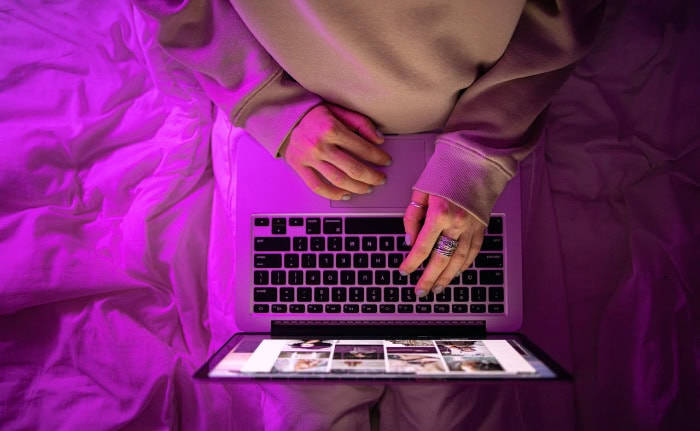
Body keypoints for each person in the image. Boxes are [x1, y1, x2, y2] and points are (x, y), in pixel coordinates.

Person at [133, 1, 605, 429]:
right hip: (290, 134)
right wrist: (272, 105)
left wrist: (476, 157)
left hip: (477, 129)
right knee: (301, 410)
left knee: (458, 409)